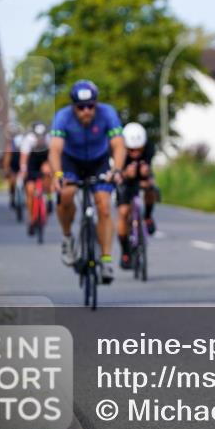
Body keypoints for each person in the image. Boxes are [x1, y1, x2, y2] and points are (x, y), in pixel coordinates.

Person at [48, 80, 126, 283]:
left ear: (96, 104)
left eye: (91, 106)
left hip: (98, 161)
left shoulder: (107, 113)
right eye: (81, 107)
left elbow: (118, 145)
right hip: (71, 161)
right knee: (66, 194)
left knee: (104, 206)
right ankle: (67, 238)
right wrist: (57, 175)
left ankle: (106, 260)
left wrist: (116, 169)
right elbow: (55, 149)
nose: (86, 111)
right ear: (74, 106)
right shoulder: (63, 117)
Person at [115, 122, 159, 269]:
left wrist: (147, 177)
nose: (135, 153)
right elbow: (116, 175)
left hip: (141, 176)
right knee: (123, 212)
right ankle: (125, 251)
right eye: (131, 150)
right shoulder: (118, 150)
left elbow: (149, 171)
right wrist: (126, 174)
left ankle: (147, 217)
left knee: (151, 189)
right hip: (125, 180)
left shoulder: (149, 148)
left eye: (138, 149)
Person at [18, 121, 53, 235]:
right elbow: (24, 158)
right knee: (30, 190)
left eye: (42, 136)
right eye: (38, 136)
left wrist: (51, 167)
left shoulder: (49, 139)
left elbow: (53, 155)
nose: (40, 139)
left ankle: (49, 198)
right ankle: (32, 218)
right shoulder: (28, 140)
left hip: (44, 161)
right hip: (32, 164)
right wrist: (23, 171)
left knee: (48, 176)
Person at [2, 122, 23, 209]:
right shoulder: (9, 146)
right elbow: (7, 159)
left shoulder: (23, 142)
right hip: (13, 166)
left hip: (21, 164)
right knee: (12, 182)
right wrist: (7, 170)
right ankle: (12, 197)